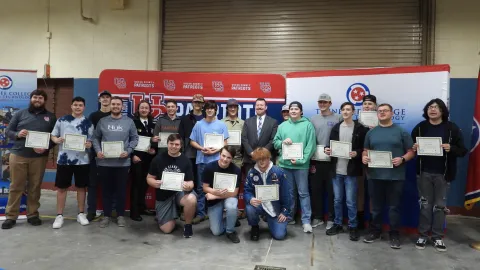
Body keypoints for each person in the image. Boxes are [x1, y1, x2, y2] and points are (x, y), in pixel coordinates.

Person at [411, 98, 467, 252]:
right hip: (424, 173)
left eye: (436, 107)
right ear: (426, 110)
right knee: (425, 205)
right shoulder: (420, 128)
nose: (432, 109)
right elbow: (412, 146)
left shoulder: (451, 128)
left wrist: (451, 148)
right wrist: (414, 147)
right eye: (430, 107)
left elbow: (462, 150)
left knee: (440, 207)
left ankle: (437, 237)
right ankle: (422, 235)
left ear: (442, 110)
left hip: (443, 174)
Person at [2, 89, 57, 229]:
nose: (37, 100)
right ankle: (11, 216)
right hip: (19, 155)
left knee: (35, 187)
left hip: (39, 158)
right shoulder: (20, 113)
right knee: (16, 186)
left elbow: (54, 137)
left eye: (40, 98)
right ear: (31, 99)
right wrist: (18, 134)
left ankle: (32, 214)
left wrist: (46, 147)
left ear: (44, 101)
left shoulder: (51, 117)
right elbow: (8, 131)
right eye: (35, 97)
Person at [362, 103, 415, 249]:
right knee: (376, 208)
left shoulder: (401, 131)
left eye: (385, 111)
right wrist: (364, 157)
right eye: (379, 111)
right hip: (374, 175)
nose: (382, 113)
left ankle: (394, 234)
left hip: (395, 176)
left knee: (394, 207)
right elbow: (365, 150)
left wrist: (403, 159)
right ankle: (375, 231)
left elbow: (411, 151)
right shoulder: (371, 132)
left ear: (392, 113)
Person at [92, 96, 139, 228]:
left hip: (122, 163)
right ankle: (106, 215)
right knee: (106, 190)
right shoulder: (102, 121)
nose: (116, 106)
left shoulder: (129, 122)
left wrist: (128, 151)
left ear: (122, 107)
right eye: (113, 104)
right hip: (104, 163)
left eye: (118, 104)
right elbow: (95, 138)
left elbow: (135, 138)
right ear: (110, 105)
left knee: (121, 191)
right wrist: (98, 151)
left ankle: (120, 215)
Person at [324, 102, 367, 241]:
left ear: (353, 112)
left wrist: (357, 153)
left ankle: (353, 226)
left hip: (351, 171)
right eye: (343, 109)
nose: (346, 112)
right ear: (341, 112)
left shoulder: (360, 128)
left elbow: (365, 148)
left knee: (350, 201)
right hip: (336, 170)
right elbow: (329, 145)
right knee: (337, 200)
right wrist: (327, 150)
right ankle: (337, 224)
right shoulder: (336, 127)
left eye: (348, 109)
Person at [50, 97, 94, 229]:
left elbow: (91, 141)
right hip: (64, 159)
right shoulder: (62, 120)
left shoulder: (88, 123)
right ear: (71, 106)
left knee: (81, 187)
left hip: (82, 160)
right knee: (62, 188)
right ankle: (59, 215)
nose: (78, 107)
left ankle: (81, 213)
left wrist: (88, 144)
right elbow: (53, 135)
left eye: (80, 105)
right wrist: (57, 140)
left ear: (84, 107)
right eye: (75, 105)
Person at [274, 101, 316, 233]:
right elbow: (275, 142)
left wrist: (301, 160)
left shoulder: (308, 125)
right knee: (290, 193)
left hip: (301, 165)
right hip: (285, 165)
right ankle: (290, 216)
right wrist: (282, 142)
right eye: (291, 109)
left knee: (303, 193)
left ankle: (306, 221)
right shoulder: (282, 126)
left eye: (296, 109)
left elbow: (311, 146)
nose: (293, 111)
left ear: (301, 112)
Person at [146, 134, 197, 237]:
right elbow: (149, 178)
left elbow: (191, 183)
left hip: (179, 193)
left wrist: (189, 186)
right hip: (163, 195)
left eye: (176, 144)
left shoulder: (186, 160)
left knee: (191, 198)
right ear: (167, 144)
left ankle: (188, 226)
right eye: (171, 144)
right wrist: (154, 183)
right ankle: (171, 214)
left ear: (181, 146)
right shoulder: (158, 159)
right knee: (167, 229)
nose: (173, 146)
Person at [189, 100, 229, 224]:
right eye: (208, 108)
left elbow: (225, 142)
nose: (210, 110)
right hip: (202, 160)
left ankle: (218, 213)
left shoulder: (221, 125)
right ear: (204, 110)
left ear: (215, 110)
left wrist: (216, 150)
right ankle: (201, 213)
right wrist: (202, 148)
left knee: (218, 187)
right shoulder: (198, 124)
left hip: (218, 161)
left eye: (212, 108)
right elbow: (192, 141)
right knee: (201, 188)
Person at [309, 93, 342, 229]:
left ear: (330, 103)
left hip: (333, 161)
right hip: (316, 160)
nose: (322, 104)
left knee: (332, 191)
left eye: (325, 102)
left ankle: (331, 218)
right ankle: (317, 217)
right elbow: (310, 140)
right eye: (320, 102)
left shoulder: (338, 118)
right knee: (316, 190)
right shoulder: (313, 119)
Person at [244, 147, 291, 240]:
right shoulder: (251, 173)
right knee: (249, 208)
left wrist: (285, 211)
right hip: (260, 205)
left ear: (269, 158)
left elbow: (286, 194)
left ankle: (270, 220)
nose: (261, 162)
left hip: (274, 208)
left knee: (279, 235)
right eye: (258, 159)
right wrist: (250, 199)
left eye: (264, 159)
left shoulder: (278, 172)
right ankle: (254, 226)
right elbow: (247, 191)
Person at [202, 146, 241, 243]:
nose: (225, 159)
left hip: (228, 197)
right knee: (216, 232)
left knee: (231, 206)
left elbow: (234, 193)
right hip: (214, 201)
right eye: (223, 156)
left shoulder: (236, 170)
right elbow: (205, 187)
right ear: (219, 154)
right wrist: (214, 192)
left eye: (228, 157)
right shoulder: (209, 167)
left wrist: (214, 195)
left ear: (232, 159)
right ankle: (232, 220)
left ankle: (230, 231)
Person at [86, 90, 112, 221]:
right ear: (99, 100)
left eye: (108, 97)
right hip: (95, 155)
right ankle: (91, 211)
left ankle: (110, 210)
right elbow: (90, 134)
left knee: (110, 184)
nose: (105, 99)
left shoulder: (115, 115)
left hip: (112, 156)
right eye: (103, 97)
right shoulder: (93, 116)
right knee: (92, 184)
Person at [130, 101, 157, 221]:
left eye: (146, 108)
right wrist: (132, 155)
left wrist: (154, 150)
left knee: (145, 184)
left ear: (149, 110)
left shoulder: (153, 124)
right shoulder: (132, 123)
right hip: (136, 158)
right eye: (142, 108)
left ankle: (142, 207)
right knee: (136, 185)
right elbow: (127, 140)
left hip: (149, 159)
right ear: (138, 109)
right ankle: (134, 211)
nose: (144, 109)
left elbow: (155, 141)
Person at [178, 94, 204, 218]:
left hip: (203, 155)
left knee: (201, 184)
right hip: (188, 154)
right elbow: (181, 137)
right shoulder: (185, 119)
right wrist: (181, 154)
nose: (197, 104)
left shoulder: (206, 117)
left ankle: (200, 211)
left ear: (203, 104)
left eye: (200, 102)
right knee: (187, 182)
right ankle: (187, 209)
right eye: (195, 102)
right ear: (192, 103)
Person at [241, 98, 278, 176]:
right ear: (255, 107)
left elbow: (273, 140)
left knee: (265, 186)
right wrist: (251, 153)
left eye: (261, 105)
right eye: (257, 105)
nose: (259, 107)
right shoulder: (247, 121)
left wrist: (262, 154)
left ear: (266, 107)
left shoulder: (273, 122)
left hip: (266, 160)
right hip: (250, 159)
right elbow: (244, 139)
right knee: (250, 186)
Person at [357, 94, 378, 229]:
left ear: (375, 106)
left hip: (375, 162)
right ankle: (359, 221)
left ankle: (373, 222)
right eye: (365, 104)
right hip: (358, 161)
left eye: (370, 104)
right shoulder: (356, 123)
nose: (367, 106)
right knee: (359, 191)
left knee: (373, 192)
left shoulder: (381, 122)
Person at [222, 99, 244, 168]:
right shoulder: (221, 123)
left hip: (237, 159)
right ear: (227, 109)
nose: (233, 109)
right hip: (224, 159)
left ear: (238, 109)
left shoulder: (243, 123)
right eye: (230, 107)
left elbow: (245, 142)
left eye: (235, 107)